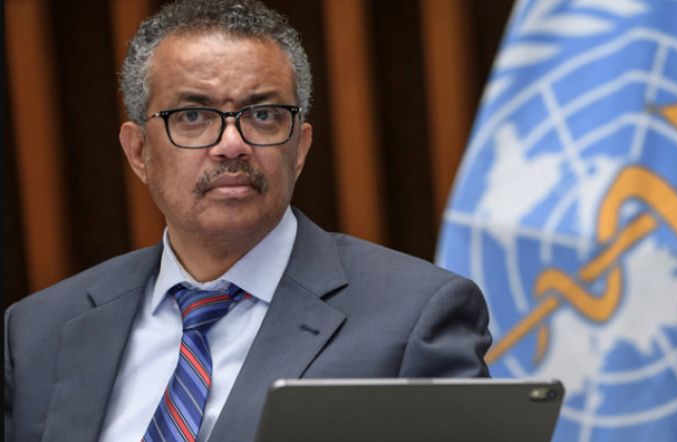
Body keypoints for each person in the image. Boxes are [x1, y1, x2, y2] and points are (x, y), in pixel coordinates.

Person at [3, 1, 492, 441]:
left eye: (263, 115)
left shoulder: (413, 316)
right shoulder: (38, 331)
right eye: (192, 116)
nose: (232, 144)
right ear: (138, 152)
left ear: (300, 148)